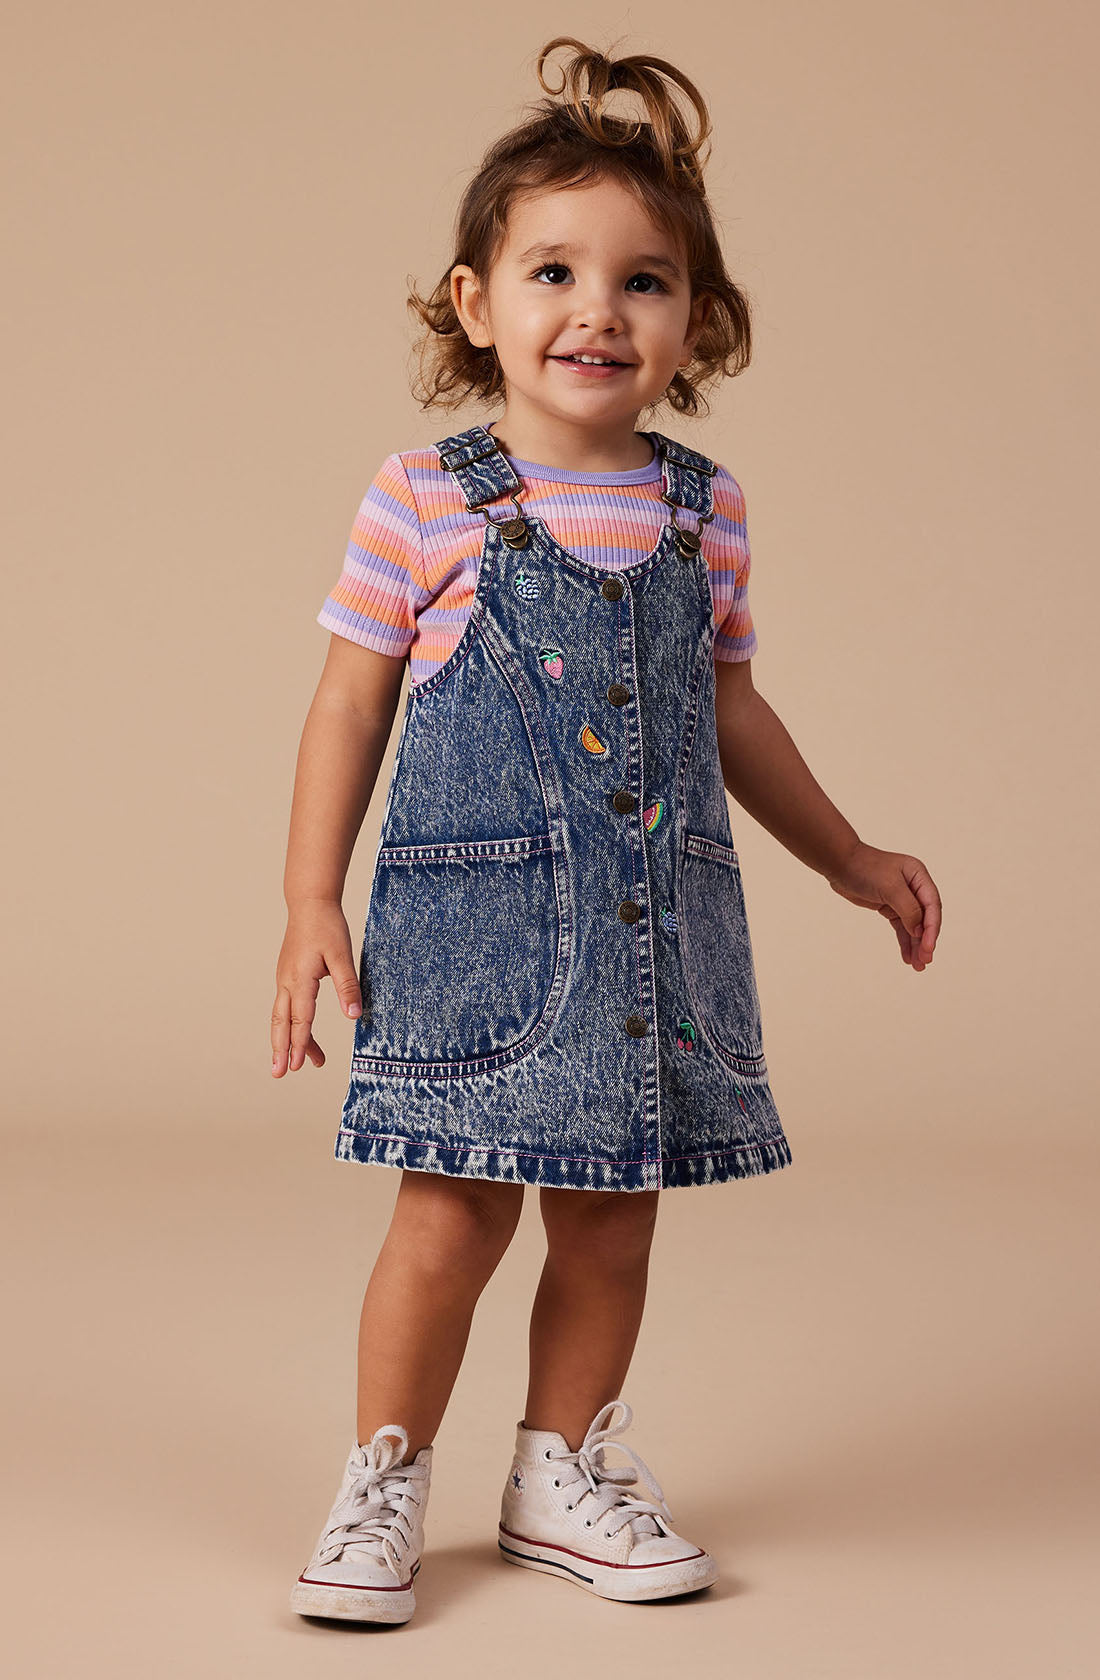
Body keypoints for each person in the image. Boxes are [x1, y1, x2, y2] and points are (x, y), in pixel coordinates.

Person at [271, 35, 942, 1624]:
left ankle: (559, 1468)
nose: (596, 310)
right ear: (472, 302)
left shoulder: (703, 507)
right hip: (472, 936)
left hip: (652, 926)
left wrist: (847, 856)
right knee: (446, 1212)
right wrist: (309, 898)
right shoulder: (427, 496)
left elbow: (730, 712)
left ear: (693, 321)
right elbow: (348, 701)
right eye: (554, 270)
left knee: (613, 1219)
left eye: (644, 282)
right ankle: (383, 1471)